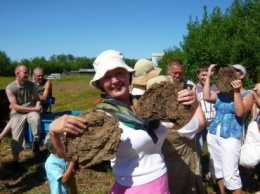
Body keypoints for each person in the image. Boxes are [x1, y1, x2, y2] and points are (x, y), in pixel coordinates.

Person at [48, 50, 198, 194]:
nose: (114, 80)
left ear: (128, 76)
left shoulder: (144, 105)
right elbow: (70, 156)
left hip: (161, 183)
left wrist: (192, 106)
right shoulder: (101, 117)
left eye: (119, 73)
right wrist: (54, 132)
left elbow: (173, 126)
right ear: (101, 84)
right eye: (107, 77)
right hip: (133, 188)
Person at [203, 64, 254, 194]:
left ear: (241, 75)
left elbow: (240, 113)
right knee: (217, 168)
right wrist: (208, 77)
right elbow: (206, 97)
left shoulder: (247, 95)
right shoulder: (221, 93)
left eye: (235, 71)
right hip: (214, 133)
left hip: (231, 137)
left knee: (231, 172)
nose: (230, 73)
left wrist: (236, 92)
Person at [0, 67, 53, 143]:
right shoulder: (31, 84)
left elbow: (44, 98)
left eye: (42, 75)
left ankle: (35, 141)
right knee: (16, 112)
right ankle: (4, 135)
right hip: (31, 104)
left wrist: (34, 99)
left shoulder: (47, 82)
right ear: (34, 76)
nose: (41, 77)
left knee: (21, 111)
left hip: (42, 105)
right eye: (38, 76)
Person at [5, 65, 42, 168]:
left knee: (36, 119)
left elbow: (37, 99)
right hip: (17, 113)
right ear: (17, 74)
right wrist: (34, 109)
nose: (27, 75)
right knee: (16, 136)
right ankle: (16, 161)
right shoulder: (10, 88)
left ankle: (36, 144)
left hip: (31, 110)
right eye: (25, 73)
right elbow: (16, 107)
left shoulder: (31, 85)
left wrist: (38, 106)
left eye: (27, 73)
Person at [195, 65, 218, 158]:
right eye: (203, 75)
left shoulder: (215, 87)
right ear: (198, 75)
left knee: (215, 147)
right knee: (198, 147)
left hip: (214, 122)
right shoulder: (193, 88)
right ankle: (198, 169)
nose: (205, 77)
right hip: (200, 123)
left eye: (207, 75)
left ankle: (214, 167)